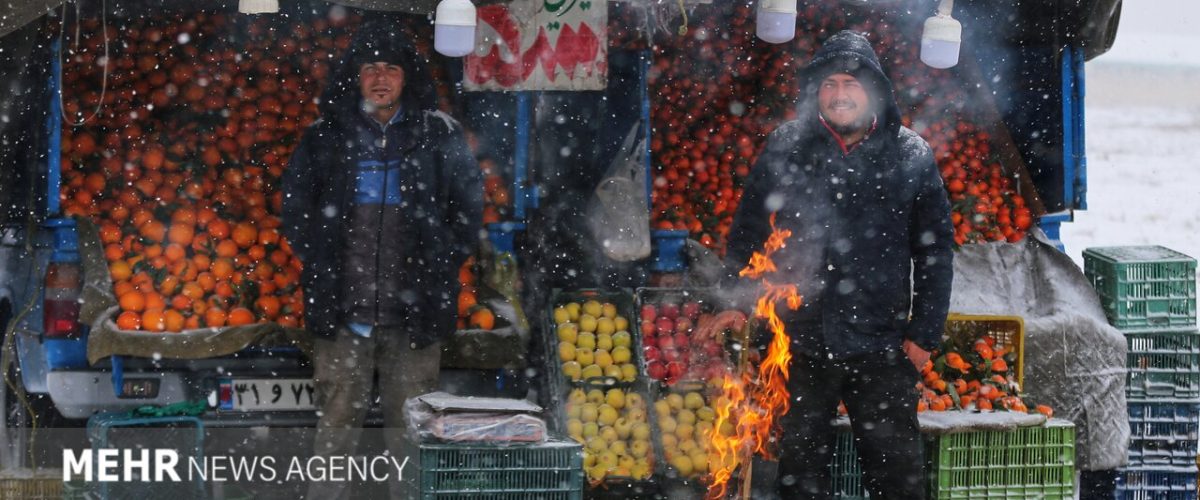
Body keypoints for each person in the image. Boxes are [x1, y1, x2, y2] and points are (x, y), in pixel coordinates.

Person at [701, 30, 954, 499]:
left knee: (897, 475)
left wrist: (923, 335)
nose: (840, 95)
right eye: (830, 84)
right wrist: (732, 298)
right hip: (803, 341)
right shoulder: (787, 145)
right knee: (801, 473)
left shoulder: (910, 155)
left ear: (874, 90)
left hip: (882, 344)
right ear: (816, 91)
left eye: (852, 84)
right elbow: (747, 231)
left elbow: (936, 252)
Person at [281, 23, 483, 499]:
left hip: (413, 317)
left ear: (406, 77)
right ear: (354, 76)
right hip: (343, 312)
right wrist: (321, 260)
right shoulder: (325, 137)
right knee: (334, 432)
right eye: (369, 67)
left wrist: (439, 263)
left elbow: (468, 210)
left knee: (411, 436)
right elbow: (295, 208)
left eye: (390, 67)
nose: (380, 77)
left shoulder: (439, 134)